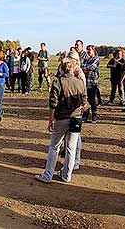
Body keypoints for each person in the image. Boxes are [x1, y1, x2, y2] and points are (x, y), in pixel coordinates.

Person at [35, 52, 88, 183]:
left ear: (61, 68)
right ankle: (66, 175)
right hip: (76, 118)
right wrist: (80, 110)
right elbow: (86, 102)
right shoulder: (80, 82)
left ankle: (48, 175)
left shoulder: (58, 82)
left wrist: (50, 120)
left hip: (62, 117)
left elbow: (53, 103)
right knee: (71, 147)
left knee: (54, 147)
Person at [82, 45, 99, 123]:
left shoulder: (96, 58)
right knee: (85, 99)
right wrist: (85, 69)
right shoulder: (86, 59)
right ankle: (86, 114)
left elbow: (92, 67)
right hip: (85, 82)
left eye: (89, 50)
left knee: (92, 100)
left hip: (92, 82)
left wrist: (86, 68)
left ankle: (94, 115)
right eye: (87, 50)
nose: (88, 51)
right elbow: (82, 66)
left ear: (93, 50)